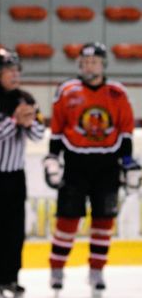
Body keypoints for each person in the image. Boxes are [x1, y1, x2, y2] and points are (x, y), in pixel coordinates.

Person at [43, 42, 138, 293]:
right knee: (67, 220)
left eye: (94, 62)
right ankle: (57, 268)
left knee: (103, 222)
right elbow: (57, 129)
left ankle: (96, 270)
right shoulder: (67, 90)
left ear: (103, 64)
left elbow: (125, 131)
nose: (89, 66)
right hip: (75, 165)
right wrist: (52, 157)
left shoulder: (117, 92)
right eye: (85, 62)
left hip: (107, 166)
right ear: (79, 65)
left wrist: (127, 162)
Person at [0, 48, 45, 297]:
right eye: (9, 71)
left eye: (17, 70)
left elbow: (37, 134)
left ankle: (9, 279)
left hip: (15, 177)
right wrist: (15, 121)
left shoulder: (25, 98)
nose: (15, 75)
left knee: (13, 232)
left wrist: (29, 121)